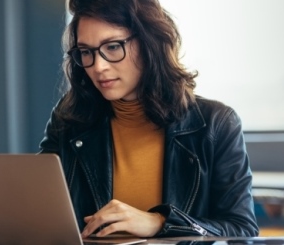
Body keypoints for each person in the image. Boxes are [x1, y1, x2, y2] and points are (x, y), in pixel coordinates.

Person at [39, 0, 259, 238]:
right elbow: (39, 212)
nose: (98, 66)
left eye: (112, 47)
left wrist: (160, 222)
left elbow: (242, 231)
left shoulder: (216, 124)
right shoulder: (69, 120)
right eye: (86, 52)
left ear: (149, 42)